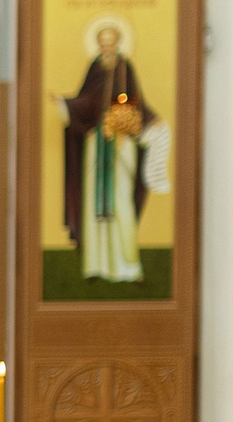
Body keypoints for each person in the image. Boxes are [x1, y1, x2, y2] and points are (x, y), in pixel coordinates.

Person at [59, 21, 168, 283]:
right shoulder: (95, 68)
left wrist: (150, 119)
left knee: (121, 202)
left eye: (111, 43)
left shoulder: (125, 68)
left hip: (121, 145)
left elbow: (136, 101)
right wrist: (67, 104)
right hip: (96, 145)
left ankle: (128, 267)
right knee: (93, 203)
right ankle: (95, 266)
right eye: (102, 43)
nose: (106, 48)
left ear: (118, 43)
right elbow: (86, 101)